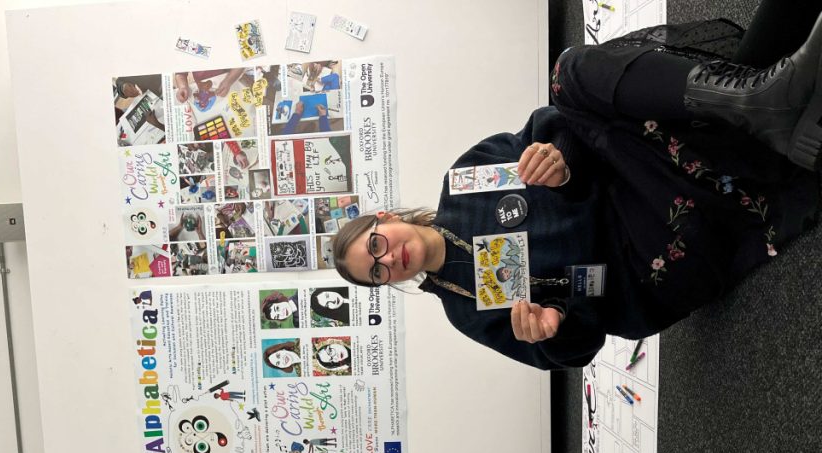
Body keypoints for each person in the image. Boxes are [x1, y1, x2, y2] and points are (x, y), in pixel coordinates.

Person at [333, 5, 822, 370]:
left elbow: (556, 125)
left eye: (375, 245)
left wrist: (560, 160)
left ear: (384, 219)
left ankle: (755, 100)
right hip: (645, 262)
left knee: (569, 76)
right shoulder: (467, 310)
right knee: (728, 107)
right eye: (377, 272)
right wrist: (555, 329)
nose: (388, 259)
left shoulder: (464, 178)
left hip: (631, 177)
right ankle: (754, 100)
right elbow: (577, 349)